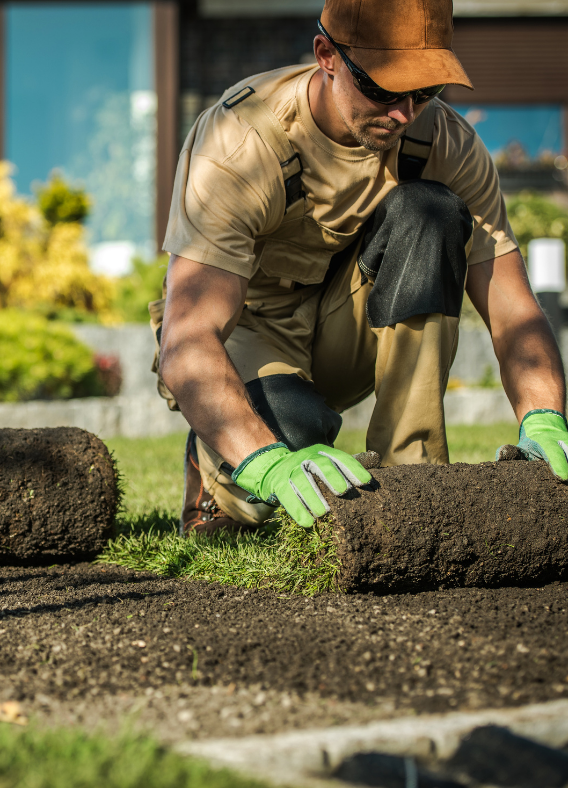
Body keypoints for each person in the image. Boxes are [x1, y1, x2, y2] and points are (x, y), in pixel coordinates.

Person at [152, 0, 568, 534]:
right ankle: (215, 479)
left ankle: (412, 481)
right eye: (384, 88)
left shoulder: (445, 143)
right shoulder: (240, 142)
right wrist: (263, 460)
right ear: (326, 55)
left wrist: (544, 415)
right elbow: (188, 340)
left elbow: (513, 307)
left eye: (426, 91)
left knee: (429, 211)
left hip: (341, 329)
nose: (405, 113)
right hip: (248, 335)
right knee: (295, 432)